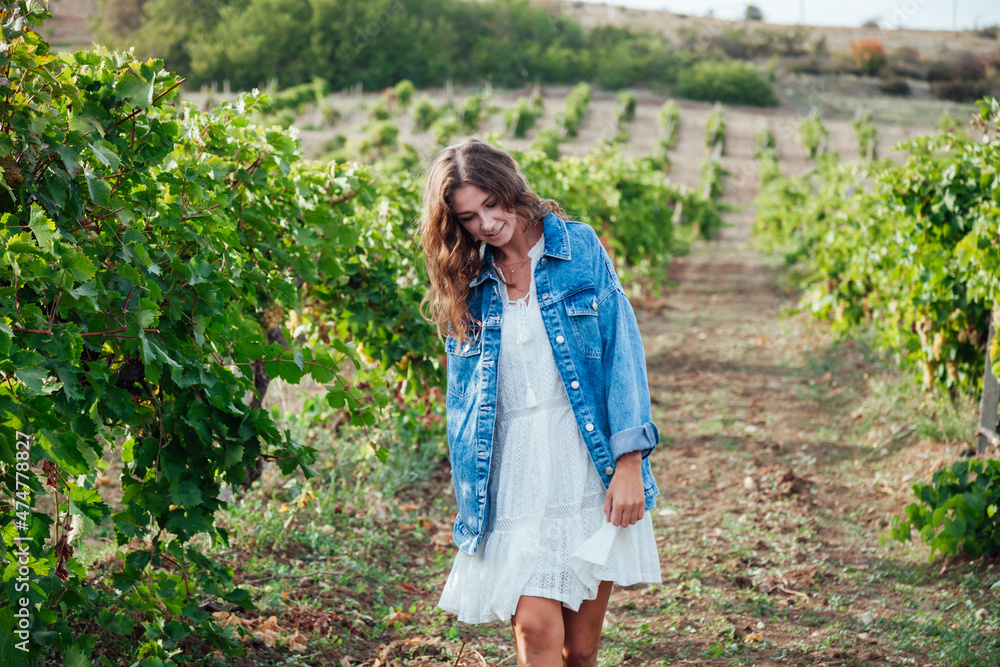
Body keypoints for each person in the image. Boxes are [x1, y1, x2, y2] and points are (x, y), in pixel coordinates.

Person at [419, 139, 661, 667]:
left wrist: (629, 463)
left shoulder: (578, 249)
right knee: (534, 630)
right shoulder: (468, 284)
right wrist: (472, 504)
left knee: (581, 651)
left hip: (584, 464)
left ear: (511, 189)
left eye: (491, 204)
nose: (486, 223)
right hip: (513, 477)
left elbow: (623, 353)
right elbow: (463, 409)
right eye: (468, 216)